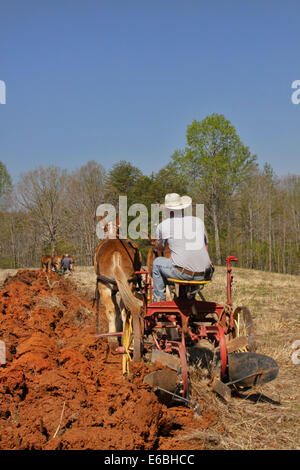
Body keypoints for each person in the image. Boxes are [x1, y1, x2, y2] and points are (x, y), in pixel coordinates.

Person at [152, 193, 214, 302]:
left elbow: (160, 247)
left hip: (182, 273)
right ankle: (189, 297)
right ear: (182, 209)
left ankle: (159, 301)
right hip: (205, 274)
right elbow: (206, 245)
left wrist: (156, 245)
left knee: (157, 263)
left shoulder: (163, 225)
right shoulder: (198, 221)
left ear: (167, 210)